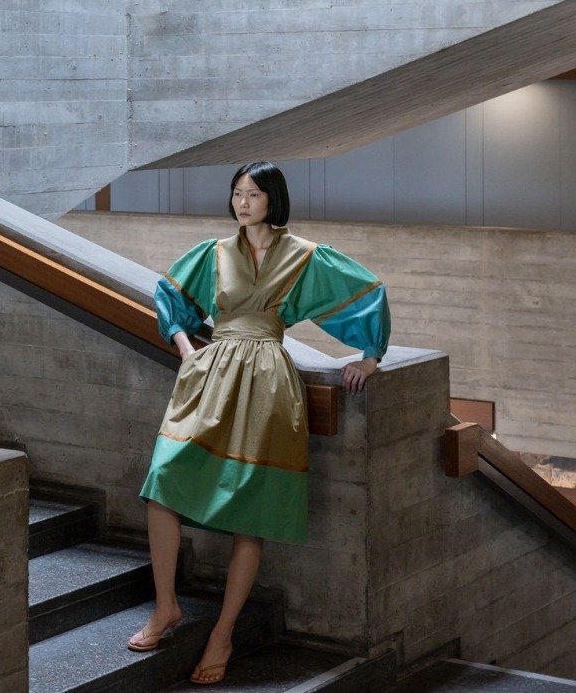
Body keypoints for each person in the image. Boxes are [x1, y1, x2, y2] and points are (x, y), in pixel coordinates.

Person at [131, 162, 390, 685]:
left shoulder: (306, 256)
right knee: (163, 482)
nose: (242, 203)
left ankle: (222, 632)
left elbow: (368, 291)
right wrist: (187, 349)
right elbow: (168, 295)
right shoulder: (214, 252)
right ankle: (166, 607)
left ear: (274, 199)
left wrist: (370, 357)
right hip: (210, 374)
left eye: (253, 194)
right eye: (237, 194)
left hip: (269, 380)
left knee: (252, 509)